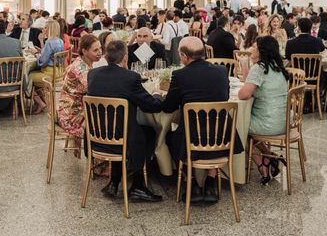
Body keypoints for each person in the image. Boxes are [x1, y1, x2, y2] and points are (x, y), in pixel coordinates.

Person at [162, 36, 243, 203]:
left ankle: (191, 181)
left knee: (169, 137)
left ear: (184, 56)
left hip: (192, 138)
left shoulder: (180, 75)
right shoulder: (221, 71)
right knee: (215, 127)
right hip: (221, 137)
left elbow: (168, 107)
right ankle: (211, 183)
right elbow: (224, 97)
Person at [87, 40, 164, 202]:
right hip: (123, 140)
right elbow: (151, 106)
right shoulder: (130, 78)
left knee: (120, 127)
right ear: (125, 57)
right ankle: (137, 185)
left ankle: (114, 181)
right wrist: (157, 93)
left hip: (96, 137)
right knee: (149, 131)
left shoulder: (93, 74)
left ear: (106, 56)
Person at [238, 36, 289, 185]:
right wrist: (245, 65)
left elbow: (244, 94)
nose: (252, 49)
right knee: (247, 126)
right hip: (283, 121)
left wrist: (247, 66)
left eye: (254, 47)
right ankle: (269, 155)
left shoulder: (260, 68)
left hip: (267, 124)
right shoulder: (276, 67)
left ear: (261, 51)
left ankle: (261, 163)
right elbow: (252, 84)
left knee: (239, 126)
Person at [57, 34, 103, 146]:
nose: (100, 52)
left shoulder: (83, 62)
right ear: (85, 51)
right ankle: (99, 157)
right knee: (105, 124)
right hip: (70, 116)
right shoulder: (80, 68)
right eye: (95, 50)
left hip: (71, 109)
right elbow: (94, 90)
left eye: (100, 48)